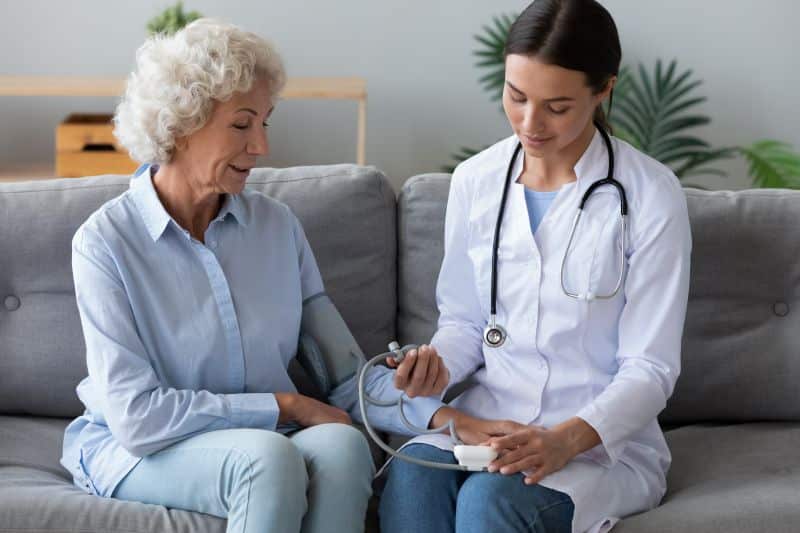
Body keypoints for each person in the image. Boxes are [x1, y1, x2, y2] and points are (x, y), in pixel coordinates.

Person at [60, 18, 447, 533]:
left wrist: (443, 416)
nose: (261, 146)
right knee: (266, 460)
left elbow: (342, 376)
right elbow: (138, 418)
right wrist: (284, 404)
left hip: (267, 439)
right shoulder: (105, 242)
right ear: (182, 123)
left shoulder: (276, 227)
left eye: (266, 122)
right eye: (242, 125)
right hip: (139, 447)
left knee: (342, 445)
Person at [379, 1, 692, 532]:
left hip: (596, 447)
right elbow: (465, 325)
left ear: (604, 89)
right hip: (490, 424)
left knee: (490, 501)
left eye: (557, 106)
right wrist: (436, 366)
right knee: (414, 475)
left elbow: (651, 368)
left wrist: (564, 439)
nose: (530, 123)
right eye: (516, 96)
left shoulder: (650, 195)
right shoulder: (476, 181)